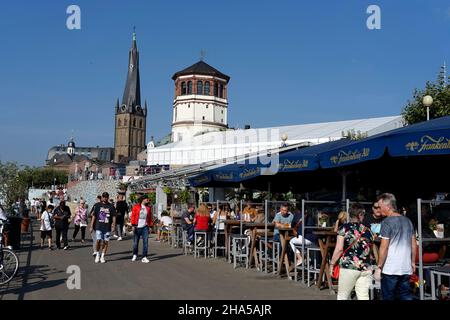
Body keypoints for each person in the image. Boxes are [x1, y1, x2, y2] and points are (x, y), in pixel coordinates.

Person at [375, 193, 416, 300]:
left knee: (388, 297)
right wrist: (412, 262)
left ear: (388, 206)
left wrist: (379, 266)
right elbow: (413, 244)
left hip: (390, 268)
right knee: (405, 296)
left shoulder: (386, 222)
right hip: (406, 267)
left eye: (380, 206)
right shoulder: (408, 221)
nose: (379, 210)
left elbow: (384, 247)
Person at [329, 203, 374, 300]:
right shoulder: (368, 230)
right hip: (366, 267)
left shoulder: (344, 228)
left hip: (349, 266)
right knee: (363, 296)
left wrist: (332, 263)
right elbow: (370, 249)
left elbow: (339, 249)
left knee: (342, 296)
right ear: (360, 215)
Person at [90, 192, 116, 263]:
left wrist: (113, 226)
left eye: (106, 197)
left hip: (107, 227)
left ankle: (102, 256)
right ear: (102, 197)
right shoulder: (98, 205)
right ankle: (98, 254)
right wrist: (91, 226)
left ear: (108, 197)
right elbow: (94, 216)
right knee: (98, 240)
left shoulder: (111, 206)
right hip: (98, 226)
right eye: (103, 197)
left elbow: (114, 216)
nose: (105, 198)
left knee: (105, 242)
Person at [130, 195, 152, 263]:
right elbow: (133, 216)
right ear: (143, 199)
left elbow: (149, 218)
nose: (147, 200)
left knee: (145, 242)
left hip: (145, 226)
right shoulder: (136, 207)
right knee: (135, 243)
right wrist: (133, 225)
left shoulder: (148, 208)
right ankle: (135, 254)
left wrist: (150, 226)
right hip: (137, 226)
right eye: (146, 199)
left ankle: (144, 257)